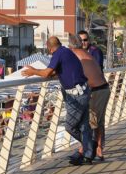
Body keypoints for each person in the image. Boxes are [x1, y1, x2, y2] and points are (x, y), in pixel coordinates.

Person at [22, 36, 94, 165]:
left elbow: (47, 73)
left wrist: (33, 71)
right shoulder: (66, 52)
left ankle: (90, 145)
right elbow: (59, 72)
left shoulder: (58, 54)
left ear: (49, 48)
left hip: (76, 95)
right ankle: (87, 155)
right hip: (83, 90)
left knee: (70, 126)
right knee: (83, 125)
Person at [69, 33, 110, 161]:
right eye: (82, 40)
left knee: (93, 122)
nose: (84, 42)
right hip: (100, 89)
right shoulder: (85, 53)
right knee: (96, 122)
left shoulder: (78, 54)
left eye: (86, 40)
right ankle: (95, 149)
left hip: (97, 90)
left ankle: (87, 150)